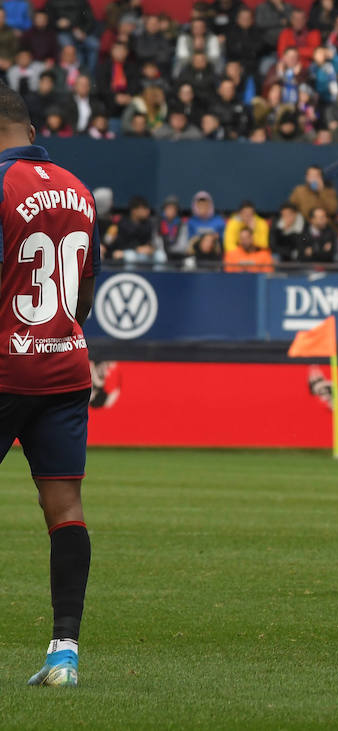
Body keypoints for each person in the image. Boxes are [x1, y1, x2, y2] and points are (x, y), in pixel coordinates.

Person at [0, 82, 98, 687]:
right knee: (64, 508)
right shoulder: (80, 189)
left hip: (5, 365)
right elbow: (85, 294)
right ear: (32, 132)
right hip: (64, 367)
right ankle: (64, 652)